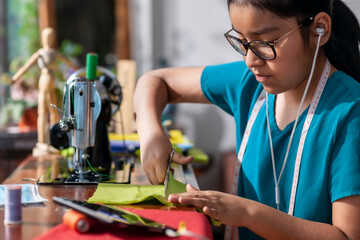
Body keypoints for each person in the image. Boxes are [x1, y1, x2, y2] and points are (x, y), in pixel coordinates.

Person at [133, 0, 360, 239]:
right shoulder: (251, 85)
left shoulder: (350, 112)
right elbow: (155, 81)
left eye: (265, 43)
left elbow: (347, 236)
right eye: (242, 42)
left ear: (318, 29)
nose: (251, 61)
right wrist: (151, 135)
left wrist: (246, 213)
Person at [12, 27, 78, 156]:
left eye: (50, 37)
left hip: (51, 83)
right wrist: (15, 78)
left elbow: (70, 64)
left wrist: (84, 71)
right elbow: (26, 67)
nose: (48, 40)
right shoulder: (40, 53)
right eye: (46, 37)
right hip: (44, 81)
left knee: (53, 112)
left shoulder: (54, 53)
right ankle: (42, 141)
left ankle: (54, 141)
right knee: (41, 113)